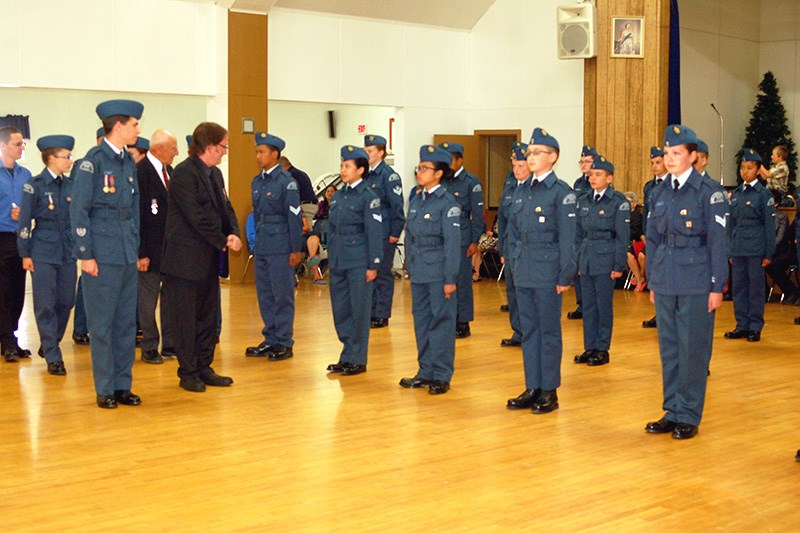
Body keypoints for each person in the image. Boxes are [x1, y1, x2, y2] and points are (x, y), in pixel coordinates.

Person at [644, 124, 728, 440]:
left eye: (677, 153)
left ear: (693, 157)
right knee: (669, 348)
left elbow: (718, 242)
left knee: (692, 348)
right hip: (666, 277)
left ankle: (689, 414)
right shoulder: (659, 192)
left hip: (696, 279)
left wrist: (716, 285)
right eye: (667, 153)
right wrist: (652, 279)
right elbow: (652, 239)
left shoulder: (709, 193)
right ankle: (672, 410)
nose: (670, 158)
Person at [70, 99, 144, 409]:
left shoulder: (128, 161)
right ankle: (104, 387)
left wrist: (137, 249)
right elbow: (79, 211)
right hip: (101, 255)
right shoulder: (93, 162)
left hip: (126, 253)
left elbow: (134, 210)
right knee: (101, 325)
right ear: (118, 126)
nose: (138, 129)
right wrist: (85, 255)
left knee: (126, 324)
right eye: (134, 124)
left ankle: (122, 385)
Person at [161, 122, 241, 393]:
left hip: (207, 259)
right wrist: (222, 240)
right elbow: (196, 217)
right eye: (223, 147)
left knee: (208, 317)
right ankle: (188, 372)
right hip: (184, 261)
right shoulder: (184, 174)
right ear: (209, 147)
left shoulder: (215, 174)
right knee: (185, 319)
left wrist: (233, 232)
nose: (225, 152)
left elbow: (225, 207)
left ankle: (204, 367)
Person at [505, 127, 576, 414]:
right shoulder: (521, 190)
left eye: (537, 153)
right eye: (529, 152)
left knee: (548, 332)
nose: (530, 157)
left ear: (553, 157)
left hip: (548, 271)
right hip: (523, 269)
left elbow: (569, 239)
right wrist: (512, 262)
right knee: (529, 330)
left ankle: (549, 390)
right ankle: (532, 385)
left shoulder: (561, 193)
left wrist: (565, 274)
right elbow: (512, 230)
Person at [399, 145, 460, 394]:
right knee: (421, 322)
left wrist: (450, 278)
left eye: (425, 169)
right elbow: (411, 238)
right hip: (421, 272)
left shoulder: (447, 203)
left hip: (439, 273)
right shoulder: (417, 199)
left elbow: (452, 244)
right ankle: (425, 371)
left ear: (438, 173)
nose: (419, 172)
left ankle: (442, 374)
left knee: (442, 323)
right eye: (419, 167)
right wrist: (410, 270)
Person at [17, 135, 76, 375]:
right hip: (42, 250)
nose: (70, 161)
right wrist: (25, 253)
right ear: (51, 158)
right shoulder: (36, 185)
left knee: (66, 301)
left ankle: (49, 341)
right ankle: (53, 354)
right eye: (66, 156)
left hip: (67, 251)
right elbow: (24, 222)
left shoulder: (72, 185)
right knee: (45, 305)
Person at [244, 133, 303, 361]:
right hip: (263, 245)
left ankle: (284, 342)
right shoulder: (257, 182)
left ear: (275, 154)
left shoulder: (286, 183)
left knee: (282, 295)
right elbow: (257, 216)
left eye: (262, 152)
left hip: (281, 245)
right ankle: (270, 338)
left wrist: (295, 249)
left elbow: (294, 218)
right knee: (265, 295)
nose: (258, 156)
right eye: (257, 152)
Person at [325, 145, 382, 376]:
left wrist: (373, 264)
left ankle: (358, 358)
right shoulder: (339, 195)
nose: (343, 170)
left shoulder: (368, 197)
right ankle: (347, 353)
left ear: (360, 169)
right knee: (341, 309)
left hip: (359, 261)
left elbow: (374, 232)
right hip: (339, 259)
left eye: (347, 166)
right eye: (341, 165)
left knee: (359, 310)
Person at [573, 156, 630, 367]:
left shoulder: (618, 202)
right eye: (591, 175)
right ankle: (590, 346)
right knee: (588, 306)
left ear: (610, 178)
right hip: (587, 258)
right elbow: (578, 234)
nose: (592, 178)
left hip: (606, 259)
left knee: (603, 306)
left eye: (598, 175)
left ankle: (602, 348)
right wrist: (578, 261)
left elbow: (622, 237)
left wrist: (618, 265)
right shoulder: (584, 201)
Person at [724, 149, 775, 342]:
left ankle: (755, 326)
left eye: (750, 168)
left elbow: (769, 227)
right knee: (739, 288)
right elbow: (730, 225)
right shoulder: (736, 194)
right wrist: (729, 248)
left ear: (757, 170)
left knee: (755, 289)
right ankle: (741, 325)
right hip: (738, 248)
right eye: (743, 167)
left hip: (755, 248)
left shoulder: (763, 195)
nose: (745, 171)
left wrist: (768, 252)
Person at [137, 129, 178, 364]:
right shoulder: (141, 172)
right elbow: (138, 216)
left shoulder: (169, 172)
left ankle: (170, 344)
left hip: (170, 249)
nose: (176, 153)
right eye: (172, 148)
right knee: (147, 300)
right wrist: (140, 252)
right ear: (159, 148)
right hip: (149, 251)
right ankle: (150, 346)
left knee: (170, 297)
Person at [438, 142, 485, 338]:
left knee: (462, 281)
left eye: (450, 160)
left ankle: (463, 321)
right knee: (443, 279)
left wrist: (474, 241)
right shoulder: (442, 180)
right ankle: (447, 318)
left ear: (460, 160)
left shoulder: (470, 182)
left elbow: (478, 214)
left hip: (462, 238)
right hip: (442, 238)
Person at [364, 134, 405, 329]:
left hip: (384, 231)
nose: (367, 154)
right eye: (365, 151)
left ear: (381, 152)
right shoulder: (365, 174)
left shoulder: (389, 176)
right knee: (369, 272)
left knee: (381, 274)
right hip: (368, 233)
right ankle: (369, 309)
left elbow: (397, 206)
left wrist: (395, 232)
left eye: (370, 151)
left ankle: (381, 313)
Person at [0, 126, 32, 362]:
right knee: (2, 291)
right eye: (17, 143)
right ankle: (8, 340)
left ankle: (11, 336)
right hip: (0, 236)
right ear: (3, 145)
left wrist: (25, 214)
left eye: (22, 144)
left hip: (20, 238)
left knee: (17, 290)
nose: (22, 147)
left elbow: (32, 205)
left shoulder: (25, 175)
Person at [496, 142, 528, 347]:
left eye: (520, 165)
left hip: (529, 250)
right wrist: (502, 248)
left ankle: (530, 331)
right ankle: (518, 331)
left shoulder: (535, 189)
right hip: (511, 248)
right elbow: (503, 219)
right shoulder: (510, 185)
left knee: (527, 293)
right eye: (514, 165)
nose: (516, 169)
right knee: (513, 292)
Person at [568, 145, 598, 319]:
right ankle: (582, 304)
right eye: (582, 161)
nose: (584, 165)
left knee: (592, 271)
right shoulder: (578, 184)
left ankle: (592, 304)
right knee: (578, 269)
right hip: (578, 232)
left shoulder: (598, 181)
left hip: (593, 232)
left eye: (588, 161)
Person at [641, 146, 668, 328]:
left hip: (666, 238)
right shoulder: (649, 187)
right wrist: (644, 233)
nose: (654, 167)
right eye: (652, 163)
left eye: (658, 162)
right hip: (652, 238)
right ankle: (658, 313)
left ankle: (666, 315)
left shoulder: (670, 185)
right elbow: (646, 213)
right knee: (655, 276)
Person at [765, 193, 797, 303]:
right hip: (762, 250)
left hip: (780, 252)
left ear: (776, 203)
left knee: (772, 265)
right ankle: (762, 292)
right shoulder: (760, 216)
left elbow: (779, 238)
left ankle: (791, 291)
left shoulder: (781, 217)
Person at [305, 184, 336, 284]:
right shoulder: (320, 205)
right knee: (314, 235)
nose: (330, 193)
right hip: (320, 228)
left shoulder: (339, 205)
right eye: (328, 191)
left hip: (332, 229)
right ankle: (314, 258)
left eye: (332, 191)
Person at [279, 155, 317, 226]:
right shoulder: (300, 173)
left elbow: (291, 194)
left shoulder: (290, 176)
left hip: (304, 206)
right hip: (310, 204)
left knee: (304, 230)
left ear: (282, 167)